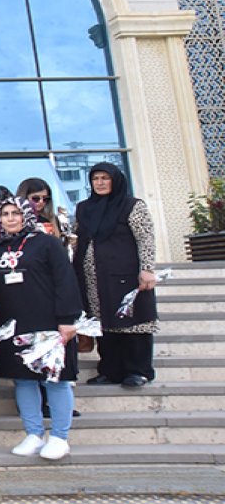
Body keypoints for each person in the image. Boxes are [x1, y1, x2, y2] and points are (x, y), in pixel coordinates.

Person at [0, 198, 83, 460]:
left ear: (27, 215)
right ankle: (34, 434)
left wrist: (68, 318)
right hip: (13, 327)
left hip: (50, 323)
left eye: (16, 213)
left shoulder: (47, 243)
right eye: (5, 214)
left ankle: (60, 437)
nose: (10, 218)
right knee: (23, 380)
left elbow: (65, 280)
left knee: (56, 380)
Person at [73, 162, 159, 388]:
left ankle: (137, 371)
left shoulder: (132, 206)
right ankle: (110, 370)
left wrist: (147, 268)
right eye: (95, 179)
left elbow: (145, 238)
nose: (100, 183)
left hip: (127, 275)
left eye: (105, 178)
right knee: (102, 323)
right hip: (94, 277)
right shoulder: (84, 208)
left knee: (133, 322)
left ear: (116, 180)